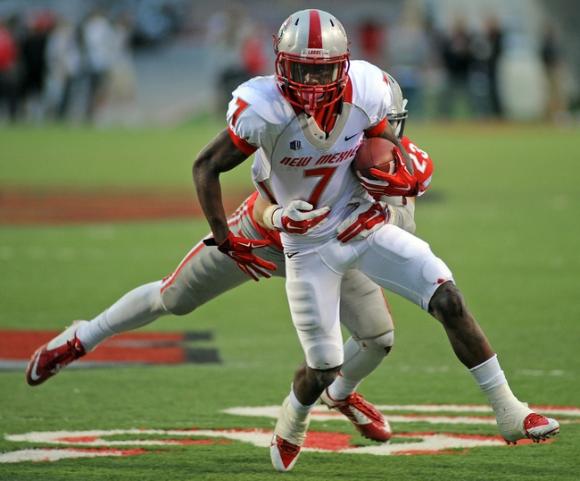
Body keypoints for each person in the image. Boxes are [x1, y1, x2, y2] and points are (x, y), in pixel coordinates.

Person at [191, 9, 559, 472]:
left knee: (448, 298)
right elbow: (206, 166)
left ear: (342, 65)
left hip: (363, 225)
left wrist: (402, 171)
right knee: (323, 366)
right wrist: (225, 237)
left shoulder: (367, 91)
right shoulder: (263, 110)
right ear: (281, 64)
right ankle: (293, 416)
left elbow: (386, 146)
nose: (310, 80)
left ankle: (510, 411)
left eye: (321, 69)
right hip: (309, 248)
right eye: (301, 68)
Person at [26, 73, 425, 445]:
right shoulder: (297, 134)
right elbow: (261, 203)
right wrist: (277, 218)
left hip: (330, 255)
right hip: (263, 237)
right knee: (172, 298)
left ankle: (339, 394)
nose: (384, 134)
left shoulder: (395, 164)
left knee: (377, 339)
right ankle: (81, 337)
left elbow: (399, 233)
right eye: (377, 123)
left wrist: (386, 202)